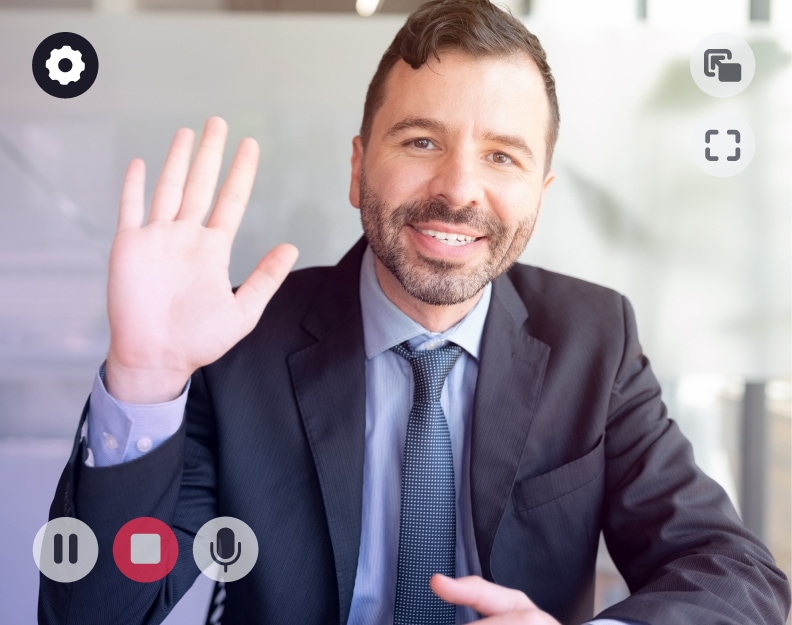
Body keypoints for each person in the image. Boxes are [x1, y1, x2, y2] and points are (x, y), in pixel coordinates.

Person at [39, 1, 790, 624]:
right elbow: (90, 611)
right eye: (422, 140)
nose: (459, 189)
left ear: (541, 191)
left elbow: (734, 573)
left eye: (503, 155)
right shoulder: (245, 340)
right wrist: (143, 378)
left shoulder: (593, 338)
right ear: (359, 166)